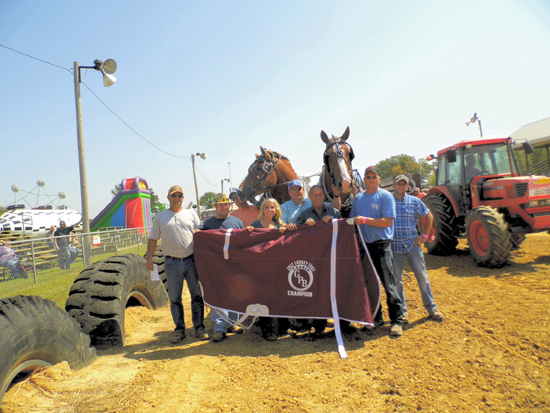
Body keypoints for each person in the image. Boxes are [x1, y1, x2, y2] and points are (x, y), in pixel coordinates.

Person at [146, 185, 209, 343]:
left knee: (196, 296)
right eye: (174, 195)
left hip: (191, 261)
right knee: (175, 298)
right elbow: (153, 239)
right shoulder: (160, 217)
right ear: (168, 198)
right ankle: (179, 329)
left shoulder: (191, 214)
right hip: (171, 263)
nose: (177, 198)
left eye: (180, 195)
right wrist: (149, 259)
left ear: (183, 197)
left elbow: (201, 235)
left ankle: (199, 327)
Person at [350, 166, 404, 337]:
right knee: (370, 285)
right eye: (368, 177)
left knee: (389, 284)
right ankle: (376, 317)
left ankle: (397, 320)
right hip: (365, 247)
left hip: (382, 245)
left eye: (374, 176)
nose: (371, 179)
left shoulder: (385, 196)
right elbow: (351, 220)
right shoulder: (358, 198)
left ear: (379, 179)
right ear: (364, 179)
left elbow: (387, 221)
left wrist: (364, 220)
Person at [391, 175, 444, 324]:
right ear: (394, 186)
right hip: (395, 247)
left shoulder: (414, 201)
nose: (401, 186)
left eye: (404, 184)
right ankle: (402, 312)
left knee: (422, 277)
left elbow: (429, 216)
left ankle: (431, 307)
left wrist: (425, 235)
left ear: (407, 187)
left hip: (413, 245)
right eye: (398, 184)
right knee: (397, 281)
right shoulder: (388, 201)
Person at [296, 185, 343, 340]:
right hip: (313, 259)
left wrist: (333, 222)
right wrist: (305, 227)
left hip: (332, 257)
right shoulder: (303, 215)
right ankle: (318, 326)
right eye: (315, 195)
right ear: (309, 197)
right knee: (316, 291)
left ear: (324, 196)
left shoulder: (334, 212)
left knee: (335, 289)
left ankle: (341, 323)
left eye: (320, 195)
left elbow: (343, 232)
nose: (318, 197)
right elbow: (297, 237)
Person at [197, 192, 245, 342]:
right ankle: (219, 327)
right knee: (218, 295)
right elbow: (201, 242)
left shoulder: (237, 222)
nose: (224, 207)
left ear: (229, 206)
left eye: (226, 204)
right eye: (221, 204)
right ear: (215, 206)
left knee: (235, 294)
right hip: (215, 266)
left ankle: (233, 323)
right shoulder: (207, 224)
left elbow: (244, 242)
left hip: (234, 266)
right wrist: (198, 233)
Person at [246, 198, 296, 340]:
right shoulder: (255, 224)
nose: (269, 210)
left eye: (272, 207)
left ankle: (284, 328)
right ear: (262, 209)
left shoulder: (280, 224)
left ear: (276, 210)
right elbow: (248, 242)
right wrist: (248, 232)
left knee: (281, 297)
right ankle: (267, 330)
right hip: (260, 269)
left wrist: (290, 228)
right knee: (263, 298)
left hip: (278, 268)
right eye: (266, 207)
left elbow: (290, 240)